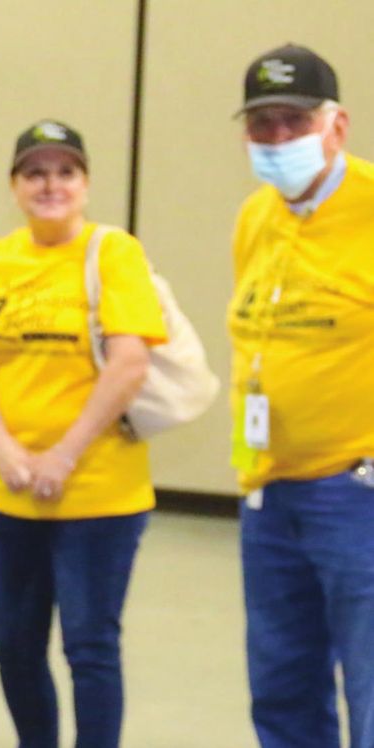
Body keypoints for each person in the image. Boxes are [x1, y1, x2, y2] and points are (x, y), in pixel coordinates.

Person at [0, 121, 166, 748]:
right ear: (15, 186)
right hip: (11, 489)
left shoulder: (114, 251)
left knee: (90, 646)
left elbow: (130, 361)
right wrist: (6, 448)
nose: (51, 185)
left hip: (100, 493)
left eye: (65, 172)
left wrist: (63, 457)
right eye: (36, 173)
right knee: (14, 647)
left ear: (87, 183)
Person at [229, 43, 374, 748]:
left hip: (357, 494)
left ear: (336, 125)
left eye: (295, 121)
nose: (278, 138)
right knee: (283, 691)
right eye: (263, 125)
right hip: (270, 492)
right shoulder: (256, 218)